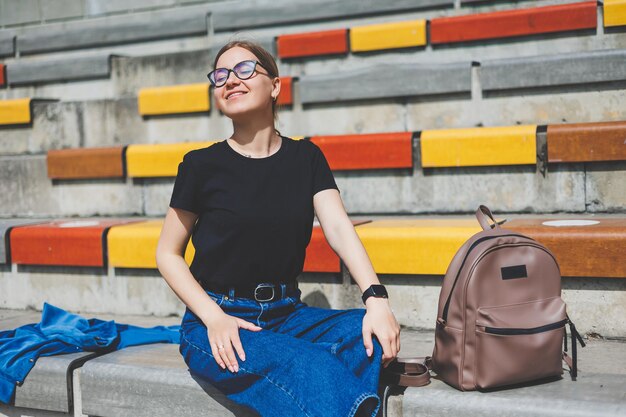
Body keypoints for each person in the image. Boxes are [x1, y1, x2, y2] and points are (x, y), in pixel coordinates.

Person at [156, 39, 401, 417]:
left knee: (363, 334)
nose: (230, 80)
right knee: (305, 364)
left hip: (288, 315)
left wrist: (376, 300)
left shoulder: (306, 157)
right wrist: (213, 317)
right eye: (220, 75)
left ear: (274, 86)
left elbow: (338, 228)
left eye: (244, 70)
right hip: (217, 318)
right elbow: (167, 254)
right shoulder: (200, 165)